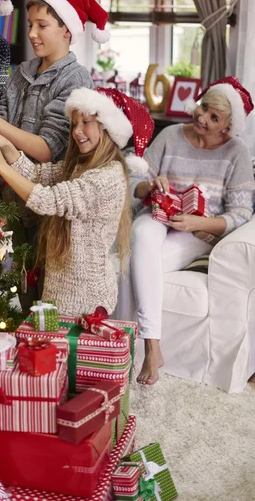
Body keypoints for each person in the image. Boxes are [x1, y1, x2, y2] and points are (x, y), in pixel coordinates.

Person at [118, 76, 255, 386]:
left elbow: (242, 213)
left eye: (214, 117)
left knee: (130, 267)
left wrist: (198, 223)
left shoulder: (237, 153)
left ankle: (124, 350)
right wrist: (148, 185)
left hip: (196, 234)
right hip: (155, 217)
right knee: (141, 237)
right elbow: (132, 184)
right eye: (203, 107)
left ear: (227, 127)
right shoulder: (170, 135)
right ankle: (152, 347)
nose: (202, 118)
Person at [0, 87, 154, 316]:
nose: (77, 131)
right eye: (74, 124)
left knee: (73, 350)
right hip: (60, 289)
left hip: (86, 298)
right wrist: (8, 148)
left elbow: (46, 200)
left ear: (107, 128)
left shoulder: (108, 176)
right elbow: (38, 176)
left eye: (86, 122)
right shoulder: (82, 166)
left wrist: (0, 165)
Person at [0, 0, 110, 163]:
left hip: (44, 188)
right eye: (30, 25)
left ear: (67, 30)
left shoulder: (75, 80)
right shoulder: (21, 73)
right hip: (6, 186)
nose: (31, 33)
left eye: (42, 25)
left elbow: (46, 150)